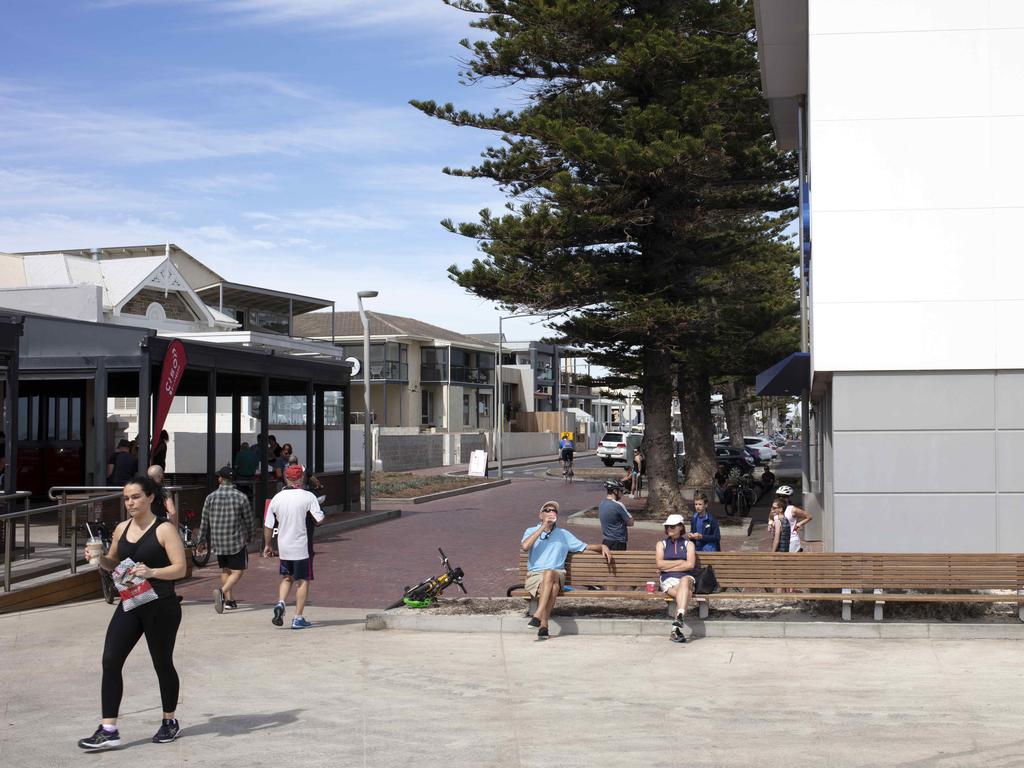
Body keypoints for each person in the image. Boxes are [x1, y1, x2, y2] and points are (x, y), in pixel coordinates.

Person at [78, 474, 187, 750]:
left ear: (150, 497)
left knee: (162, 663)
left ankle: (169, 721)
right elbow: (112, 561)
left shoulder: (164, 529)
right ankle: (108, 729)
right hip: (131, 599)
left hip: (161, 604)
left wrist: (152, 572)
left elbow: (180, 568)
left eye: (136, 497)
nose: (130, 503)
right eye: (126, 498)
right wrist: (98, 558)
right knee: (110, 660)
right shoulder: (121, 528)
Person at [521, 501, 612, 639]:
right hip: (536, 575)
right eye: (547, 510)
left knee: (550, 572)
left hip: (557, 573)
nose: (552, 512)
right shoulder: (530, 531)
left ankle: (538, 614)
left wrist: (602, 546)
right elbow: (525, 546)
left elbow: (584, 546)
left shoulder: (563, 534)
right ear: (540, 515)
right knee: (554, 587)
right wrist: (543, 527)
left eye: (554, 511)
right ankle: (544, 624)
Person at [263, 464, 324, 629]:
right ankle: (298, 618)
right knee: (303, 581)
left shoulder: (277, 498)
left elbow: (268, 525)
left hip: (284, 547)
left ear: (286, 477)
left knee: (287, 577)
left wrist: (268, 545)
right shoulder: (308, 496)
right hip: (301, 547)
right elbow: (319, 520)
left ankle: (281, 603)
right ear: (301, 478)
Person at [199, 466, 254, 613]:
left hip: (218, 541)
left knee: (225, 570)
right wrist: (251, 535)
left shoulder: (210, 497)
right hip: (235, 540)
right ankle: (222, 592)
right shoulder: (241, 497)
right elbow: (249, 519)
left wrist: (200, 541)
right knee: (238, 571)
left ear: (221, 479)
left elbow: (204, 521)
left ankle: (229, 601)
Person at [656, 513, 696, 644]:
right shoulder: (661, 544)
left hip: (686, 577)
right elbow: (659, 564)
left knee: (685, 580)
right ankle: (676, 628)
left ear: (681, 527)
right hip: (668, 580)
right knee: (686, 593)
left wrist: (667, 567)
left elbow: (690, 564)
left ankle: (679, 618)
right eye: (667, 526)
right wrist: (680, 561)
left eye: (672, 526)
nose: (669, 529)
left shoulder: (688, 544)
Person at [774, 485, 812, 552]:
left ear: (789, 497)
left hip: (791, 540)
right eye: (779, 496)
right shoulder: (776, 508)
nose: (781, 498)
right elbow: (771, 517)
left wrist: (799, 524)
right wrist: (770, 522)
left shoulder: (792, 509)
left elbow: (809, 516)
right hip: (779, 540)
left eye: (784, 496)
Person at [598, 480, 633, 550]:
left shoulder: (601, 504)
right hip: (618, 542)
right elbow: (631, 522)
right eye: (621, 491)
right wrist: (622, 522)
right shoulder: (618, 505)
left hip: (606, 541)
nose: (622, 494)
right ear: (615, 491)